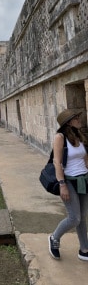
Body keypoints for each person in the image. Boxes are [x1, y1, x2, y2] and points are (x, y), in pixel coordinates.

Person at [49, 108, 88, 260]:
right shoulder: (60, 137)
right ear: (69, 122)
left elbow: (84, 159)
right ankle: (54, 238)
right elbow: (57, 162)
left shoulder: (79, 136)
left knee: (82, 217)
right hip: (69, 180)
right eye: (76, 118)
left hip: (83, 179)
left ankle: (84, 249)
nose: (79, 120)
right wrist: (62, 184)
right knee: (74, 218)